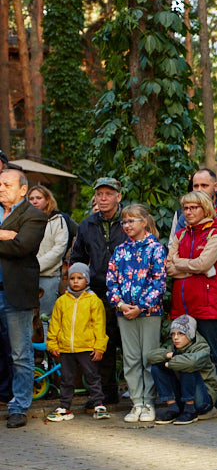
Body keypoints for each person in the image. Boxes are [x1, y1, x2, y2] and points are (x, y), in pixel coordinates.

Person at [174, 169, 217, 408]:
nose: (199, 189)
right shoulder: (184, 216)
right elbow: (172, 261)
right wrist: (192, 266)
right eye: (195, 185)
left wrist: (189, 264)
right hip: (188, 291)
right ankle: (199, 396)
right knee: (188, 343)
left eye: (204, 185)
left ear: (216, 186)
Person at [106, 204, 167, 424]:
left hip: (149, 312)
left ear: (144, 221)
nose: (127, 225)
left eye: (132, 220)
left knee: (148, 357)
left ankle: (149, 402)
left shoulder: (156, 248)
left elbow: (159, 282)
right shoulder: (120, 250)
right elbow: (111, 280)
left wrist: (140, 306)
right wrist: (121, 305)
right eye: (124, 221)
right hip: (124, 313)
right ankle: (136, 402)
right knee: (131, 358)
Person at [69, 177, 128, 406]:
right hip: (98, 290)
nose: (103, 198)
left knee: (130, 346)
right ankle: (104, 394)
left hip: (127, 292)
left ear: (118, 197)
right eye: (99, 194)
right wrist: (81, 284)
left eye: (108, 194)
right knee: (101, 344)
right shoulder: (87, 224)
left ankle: (140, 394)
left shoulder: (129, 220)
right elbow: (78, 258)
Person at [0, 169, 49, 429]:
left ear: (22, 190)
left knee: (20, 353)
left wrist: (13, 239)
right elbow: (11, 243)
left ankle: (19, 406)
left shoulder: (35, 215)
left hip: (14, 292)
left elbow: (22, 247)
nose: (0, 188)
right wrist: (4, 235)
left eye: (6, 184)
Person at [45, 264, 109, 422]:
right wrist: (52, 344)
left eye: (79, 278)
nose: (75, 281)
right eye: (72, 278)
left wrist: (99, 347)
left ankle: (98, 404)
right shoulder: (61, 301)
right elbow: (54, 324)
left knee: (92, 376)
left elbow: (99, 326)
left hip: (87, 347)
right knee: (67, 379)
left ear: (86, 280)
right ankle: (65, 407)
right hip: (66, 348)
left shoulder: (94, 301)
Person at [150, 315, 217, 424]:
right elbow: (150, 356)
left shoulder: (202, 347)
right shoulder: (175, 347)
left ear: (190, 334)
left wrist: (167, 364)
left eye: (180, 334)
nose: (175, 338)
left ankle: (190, 410)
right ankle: (173, 408)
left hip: (204, 399)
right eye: (173, 334)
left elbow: (192, 362)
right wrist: (171, 354)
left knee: (186, 366)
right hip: (184, 394)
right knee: (156, 368)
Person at [28, 185, 70, 319]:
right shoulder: (25, 220)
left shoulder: (58, 220)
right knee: (27, 318)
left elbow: (59, 249)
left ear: (47, 200)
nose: (34, 201)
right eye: (31, 198)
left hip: (48, 276)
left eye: (38, 198)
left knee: (45, 318)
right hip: (26, 276)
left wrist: (36, 265)